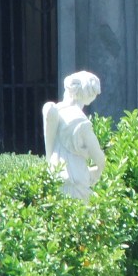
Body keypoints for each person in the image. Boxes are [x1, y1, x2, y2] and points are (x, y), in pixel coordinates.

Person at [42, 71, 106, 200]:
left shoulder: (56, 110)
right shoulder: (80, 121)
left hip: (55, 172)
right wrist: (99, 169)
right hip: (75, 177)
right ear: (89, 95)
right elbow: (97, 155)